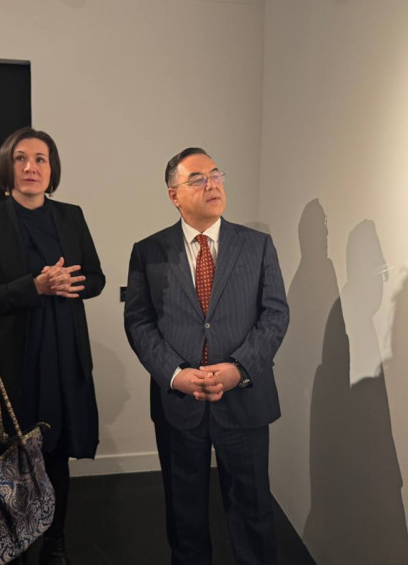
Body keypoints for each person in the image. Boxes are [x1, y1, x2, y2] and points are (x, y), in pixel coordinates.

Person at [124, 147, 290, 565]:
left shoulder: (257, 245)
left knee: (253, 510)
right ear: (174, 195)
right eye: (198, 179)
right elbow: (139, 323)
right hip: (180, 402)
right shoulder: (148, 251)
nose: (212, 184)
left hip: (244, 398)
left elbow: (275, 314)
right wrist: (175, 374)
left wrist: (239, 369)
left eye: (216, 175)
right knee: (185, 515)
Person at [0, 127, 105, 565]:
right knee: (14, 454)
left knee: (58, 453)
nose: (31, 167)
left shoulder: (71, 216)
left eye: (40, 159)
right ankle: (16, 544)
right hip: (15, 360)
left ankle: (56, 543)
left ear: (51, 168)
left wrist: (68, 284)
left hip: (64, 355)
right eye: (21, 158)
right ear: (7, 167)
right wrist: (35, 286)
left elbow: (96, 278)